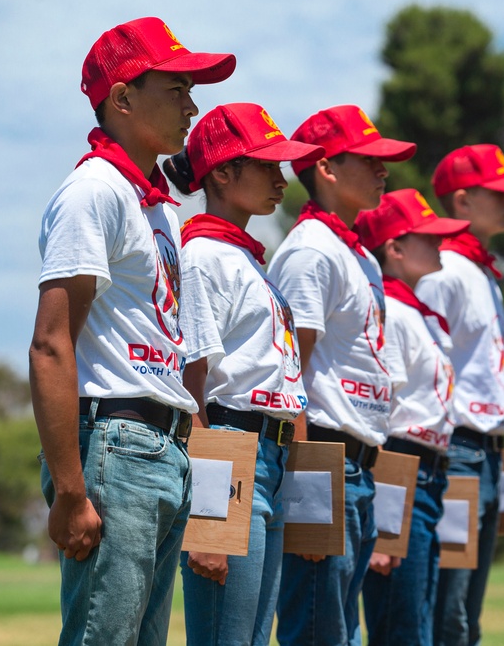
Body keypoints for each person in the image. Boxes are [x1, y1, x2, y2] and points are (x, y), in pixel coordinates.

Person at [29, 17, 234, 645]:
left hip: (161, 444)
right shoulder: (94, 190)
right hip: (118, 446)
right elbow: (51, 344)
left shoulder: (154, 205)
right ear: (122, 97)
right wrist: (70, 489)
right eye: (175, 89)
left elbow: (167, 351)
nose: (192, 106)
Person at [161, 103, 324, 646]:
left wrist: (306, 497)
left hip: (271, 462)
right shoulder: (204, 253)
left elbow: (288, 383)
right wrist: (208, 517)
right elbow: (193, 383)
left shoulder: (247, 258)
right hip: (231, 454)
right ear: (223, 174)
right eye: (267, 167)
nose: (281, 181)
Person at [267, 104, 416, 645]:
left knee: (343, 634)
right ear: (326, 168)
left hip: (361, 469)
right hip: (327, 465)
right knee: (318, 633)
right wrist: (309, 492)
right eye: (370, 160)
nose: (384, 172)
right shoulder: (311, 252)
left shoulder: (361, 257)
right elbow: (290, 373)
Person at [414, 144, 504, 646]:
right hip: (458, 452)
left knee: (468, 610)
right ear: (461, 202)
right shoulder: (443, 268)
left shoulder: (484, 272)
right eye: (498, 193)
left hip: (487, 453)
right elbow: (421, 359)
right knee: (449, 609)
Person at [355, 189, 470, 646]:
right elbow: (381, 410)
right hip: (402, 473)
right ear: (394, 250)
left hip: (429, 477)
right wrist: (384, 521)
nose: (439, 243)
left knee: (419, 621)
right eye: (425, 236)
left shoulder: (423, 316)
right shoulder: (393, 313)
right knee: (400, 626)